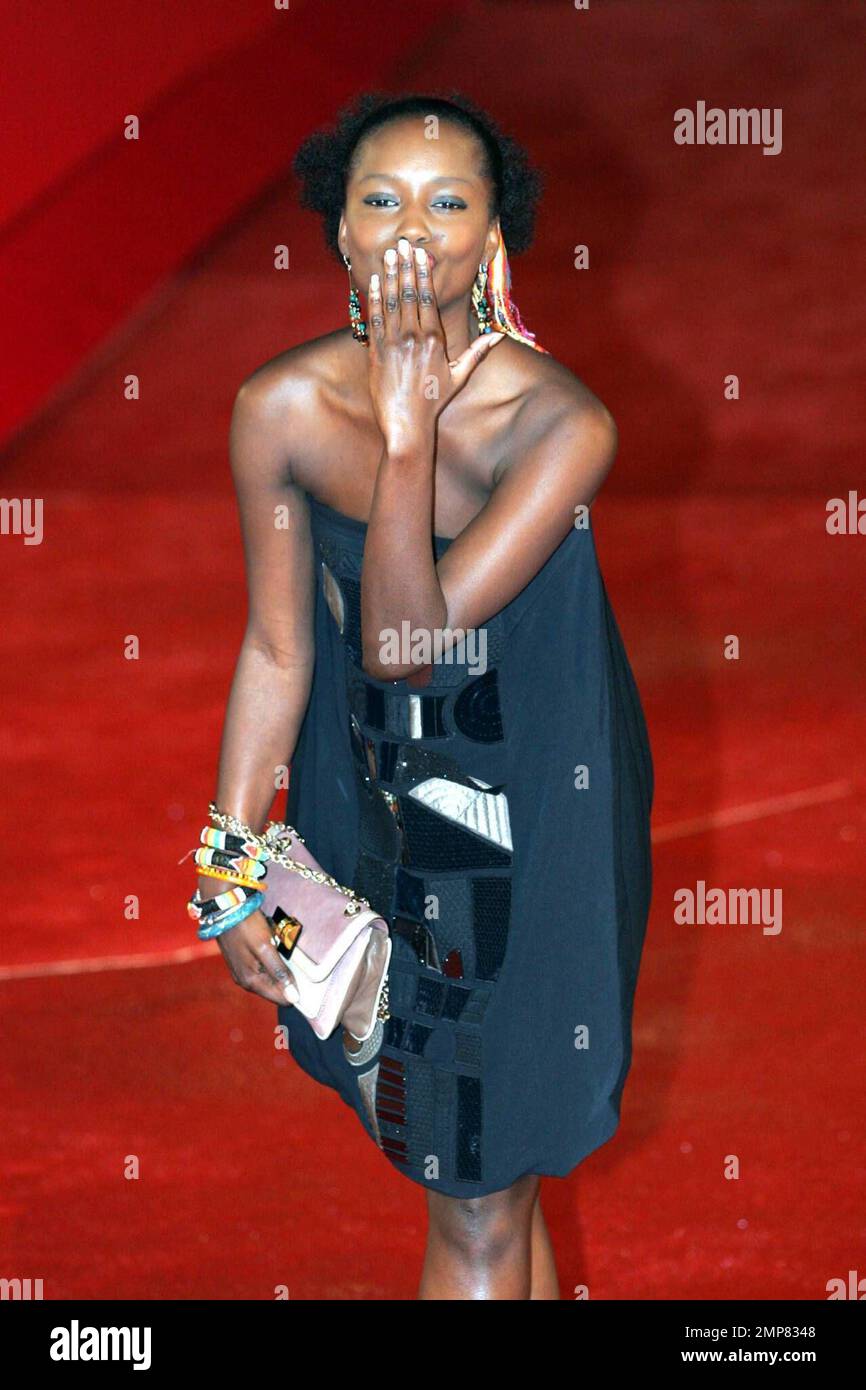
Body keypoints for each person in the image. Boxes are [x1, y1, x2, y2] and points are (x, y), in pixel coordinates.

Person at [190, 90, 654, 1300]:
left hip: (537, 824)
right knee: (476, 1183)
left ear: (494, 238)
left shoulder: (559, 424)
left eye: (448, 203)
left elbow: (406, 641)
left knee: (479, 1192)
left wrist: (405, 438)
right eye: (378, 200)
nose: (411, 230)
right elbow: (281, 647)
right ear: (336, 233)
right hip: (381, 808)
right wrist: (233, 856)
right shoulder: (278, 411)